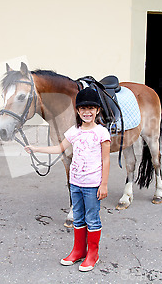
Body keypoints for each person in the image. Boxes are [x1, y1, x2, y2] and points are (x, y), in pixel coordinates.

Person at [24, 87, 111, 272]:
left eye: (91, 108)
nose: (87, 112)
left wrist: (104, 184)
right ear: (77, 111)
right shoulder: (74, 130)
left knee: (92, 219)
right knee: (78, 218)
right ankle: (78, 251)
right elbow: (59, 148)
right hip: (76, 183)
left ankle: (92, 254)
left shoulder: (102, 133)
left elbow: (105, 159)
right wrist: (36, 149)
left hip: (92, 184)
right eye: (83, 109)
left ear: (97, 110)